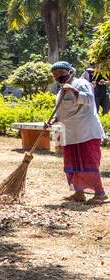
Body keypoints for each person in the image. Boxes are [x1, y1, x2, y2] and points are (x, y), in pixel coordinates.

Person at [45, 61, 106, 203]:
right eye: (55, 75)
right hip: (71, 133)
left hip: (86, 132)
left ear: (70, 71)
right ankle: (79, 193)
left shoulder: (82, 83)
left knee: (88, 162)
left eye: (61, 73)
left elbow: (90, 100)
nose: (58, 77)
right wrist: (52, 120)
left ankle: (100, 193)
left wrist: (73, 90)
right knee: (73, 162)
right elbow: (60, 112)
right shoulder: (60, 91)